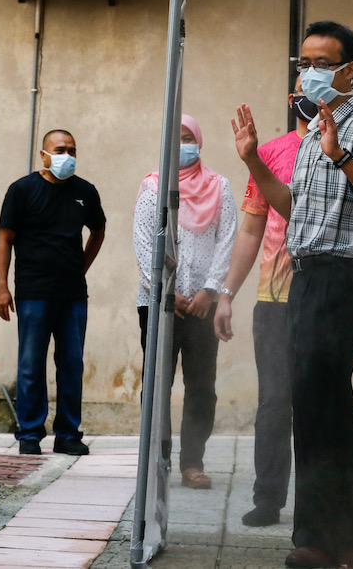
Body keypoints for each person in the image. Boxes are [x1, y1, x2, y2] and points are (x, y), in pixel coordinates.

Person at [215, 77, 353, 528]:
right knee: (277, 401)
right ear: (292, 96)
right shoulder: (282, 149)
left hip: (326, 286)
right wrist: (227, 293)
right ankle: (270, 497)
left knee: (321, 400)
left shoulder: (347, 140)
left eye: (319, 69)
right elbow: (254, 228)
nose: (308, 85)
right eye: (301, 76)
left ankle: (328, 517)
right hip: (277, 293)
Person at [231, 20, 353, 569]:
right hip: (304, 275)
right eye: (304, 62)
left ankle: (332, 540)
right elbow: (293, 210)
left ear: (349, 70)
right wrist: (253, 159)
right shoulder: (311, 132)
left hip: (341, 276)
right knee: (314, 406)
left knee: (322, 402)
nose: (310, 73)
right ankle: (335, 540)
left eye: (322, 63)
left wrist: (341, 156)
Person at [134, 114, 237, 490]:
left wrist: (211, 290)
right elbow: (144, 244)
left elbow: (227, 239)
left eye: (188, 137)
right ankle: (156, 462)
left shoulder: (220, 186)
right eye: (174, 138)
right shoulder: (153, 187)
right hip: (159, 303)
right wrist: (166, 293)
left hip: (202, 306)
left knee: (201, 386)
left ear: (200, 140)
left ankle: (192, 463)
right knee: (157, 384)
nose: (182, 145)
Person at [0, 129, 106, 456]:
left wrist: (81, 267)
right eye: (60, 150)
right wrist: (2, 286)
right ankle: (29, 432)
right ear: (43, 155)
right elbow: (5, 240)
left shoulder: (85, 191)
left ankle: (68, 433)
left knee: (71, 363)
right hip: (33, 291)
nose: (66, 156)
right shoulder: (22, 190)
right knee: (31, 363)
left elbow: (98, 231)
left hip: (72, 294)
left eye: (72, 150)